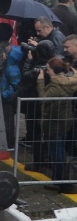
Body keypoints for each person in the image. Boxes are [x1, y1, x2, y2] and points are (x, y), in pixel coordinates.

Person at [36, 57, 77, 187]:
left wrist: (40, 81)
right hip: (64, 121)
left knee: (56, 152)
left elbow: (43, 97)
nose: (47, 71)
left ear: (53, 70)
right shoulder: (68, 82)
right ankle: (62, 177)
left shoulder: (56, 86)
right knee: (60, 150)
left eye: (48, 69)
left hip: (54, 123)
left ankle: (57, 180)